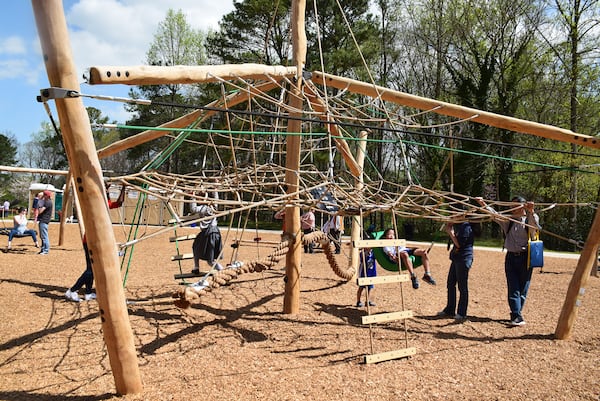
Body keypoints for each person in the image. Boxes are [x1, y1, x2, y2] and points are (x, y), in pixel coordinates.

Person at [476, 196, 541, 326]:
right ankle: (516, 314)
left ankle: (517, 313)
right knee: (513, 287)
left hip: (526, 258)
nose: (512, 208)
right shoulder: (508, 220)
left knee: (523, 288)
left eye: (515, 205)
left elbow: (536, 227)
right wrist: (483, 203)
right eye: (511, 206)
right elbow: (494, 214)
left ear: (523, 206)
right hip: (511, 257)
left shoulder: (529, 219)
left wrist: (531, 211)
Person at [65, 183, 126, 302]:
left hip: (93, 241)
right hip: (90, 241)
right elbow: (111, 202)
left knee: (91, 268)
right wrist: (107, 190)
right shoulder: (95, 207)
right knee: (91, 269)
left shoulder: (102, 206)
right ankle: (72, 290)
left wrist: (122, 188)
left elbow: (118, 202)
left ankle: (88, 292)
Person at [438, 221, 474, 320]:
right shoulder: (458, 226)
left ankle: (462, 313)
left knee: (462, 287)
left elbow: (459, 244)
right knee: (450, 284)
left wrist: (450, 232)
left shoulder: (465, 226)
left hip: (464, 259)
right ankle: (450, 309)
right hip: (456, 258)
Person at [191, 192, 224, 274]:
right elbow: (216, 199)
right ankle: (196, 267)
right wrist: (215, 190)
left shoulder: (203, 208)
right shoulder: (214, 207)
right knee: (196, 247)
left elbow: (193, 209)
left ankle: (222, 271)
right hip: (215, 233)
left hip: (208, 234)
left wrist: (192, 197)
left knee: (209, 260)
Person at [356, 233, 377, 307]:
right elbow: (363, 259)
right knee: (361, 287)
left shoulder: (374, 252)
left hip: (371, 272)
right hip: (364, 273)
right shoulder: (362, 253)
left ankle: (367, 301)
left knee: (369, 288)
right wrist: (366, 252)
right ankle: (358, 301)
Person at [37, 190, 53, 255]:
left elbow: (40, 211)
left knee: (44, 236)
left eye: (44, 195)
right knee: (42, 236)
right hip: (43, 220)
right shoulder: (48, 201)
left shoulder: (47, 202)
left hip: (44, 220)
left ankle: (46, 250)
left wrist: (39, 206)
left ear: (46, 196)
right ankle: (43, 249)